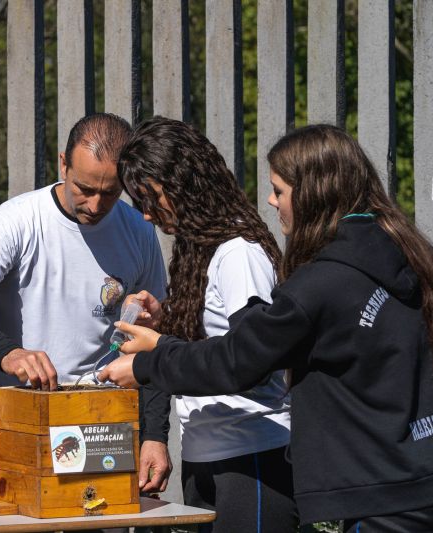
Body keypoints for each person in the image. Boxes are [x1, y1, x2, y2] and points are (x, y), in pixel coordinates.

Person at [100, 124, 433, 531]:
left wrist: (149, 362)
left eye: (279, 190)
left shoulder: (319, 282)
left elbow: (240, 360)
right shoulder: (414, 255)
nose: (270, 200)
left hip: (385, 497)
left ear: (314, 192)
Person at [0, 113, 172, 498]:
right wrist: (10, 354)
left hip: (102, 425)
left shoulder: (138, 230)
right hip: (13, 422)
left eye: (111, 192)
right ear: (63, 163)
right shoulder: (15, 221)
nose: (96, 204)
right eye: (84, 188)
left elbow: (153, 344)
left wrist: (154, 435)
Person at [115, 117, 297, 531]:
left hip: (252, 459)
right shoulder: (200, 248)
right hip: (207, 455)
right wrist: (167, 319)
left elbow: (253, 360)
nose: (146, 216)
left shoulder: (238, 254)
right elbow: (217, 337)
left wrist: (157, 351)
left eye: (151, 199)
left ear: (184, 185)